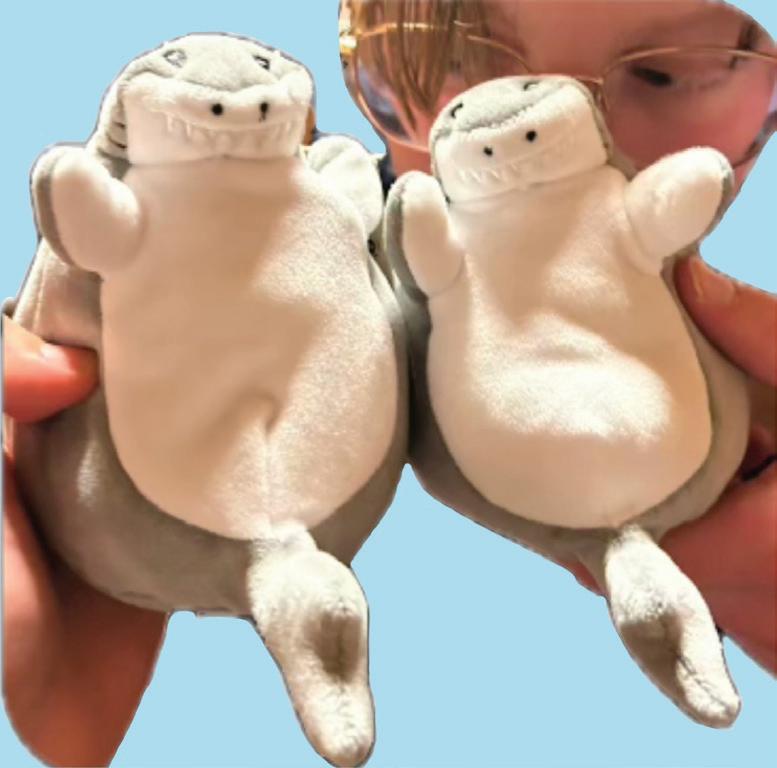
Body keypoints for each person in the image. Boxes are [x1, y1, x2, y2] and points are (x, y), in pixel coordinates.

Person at [3, 0, 775, 764]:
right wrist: (49, 710)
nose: (522, 104)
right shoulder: (307, 226)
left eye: (674, 73)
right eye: (449, 53)